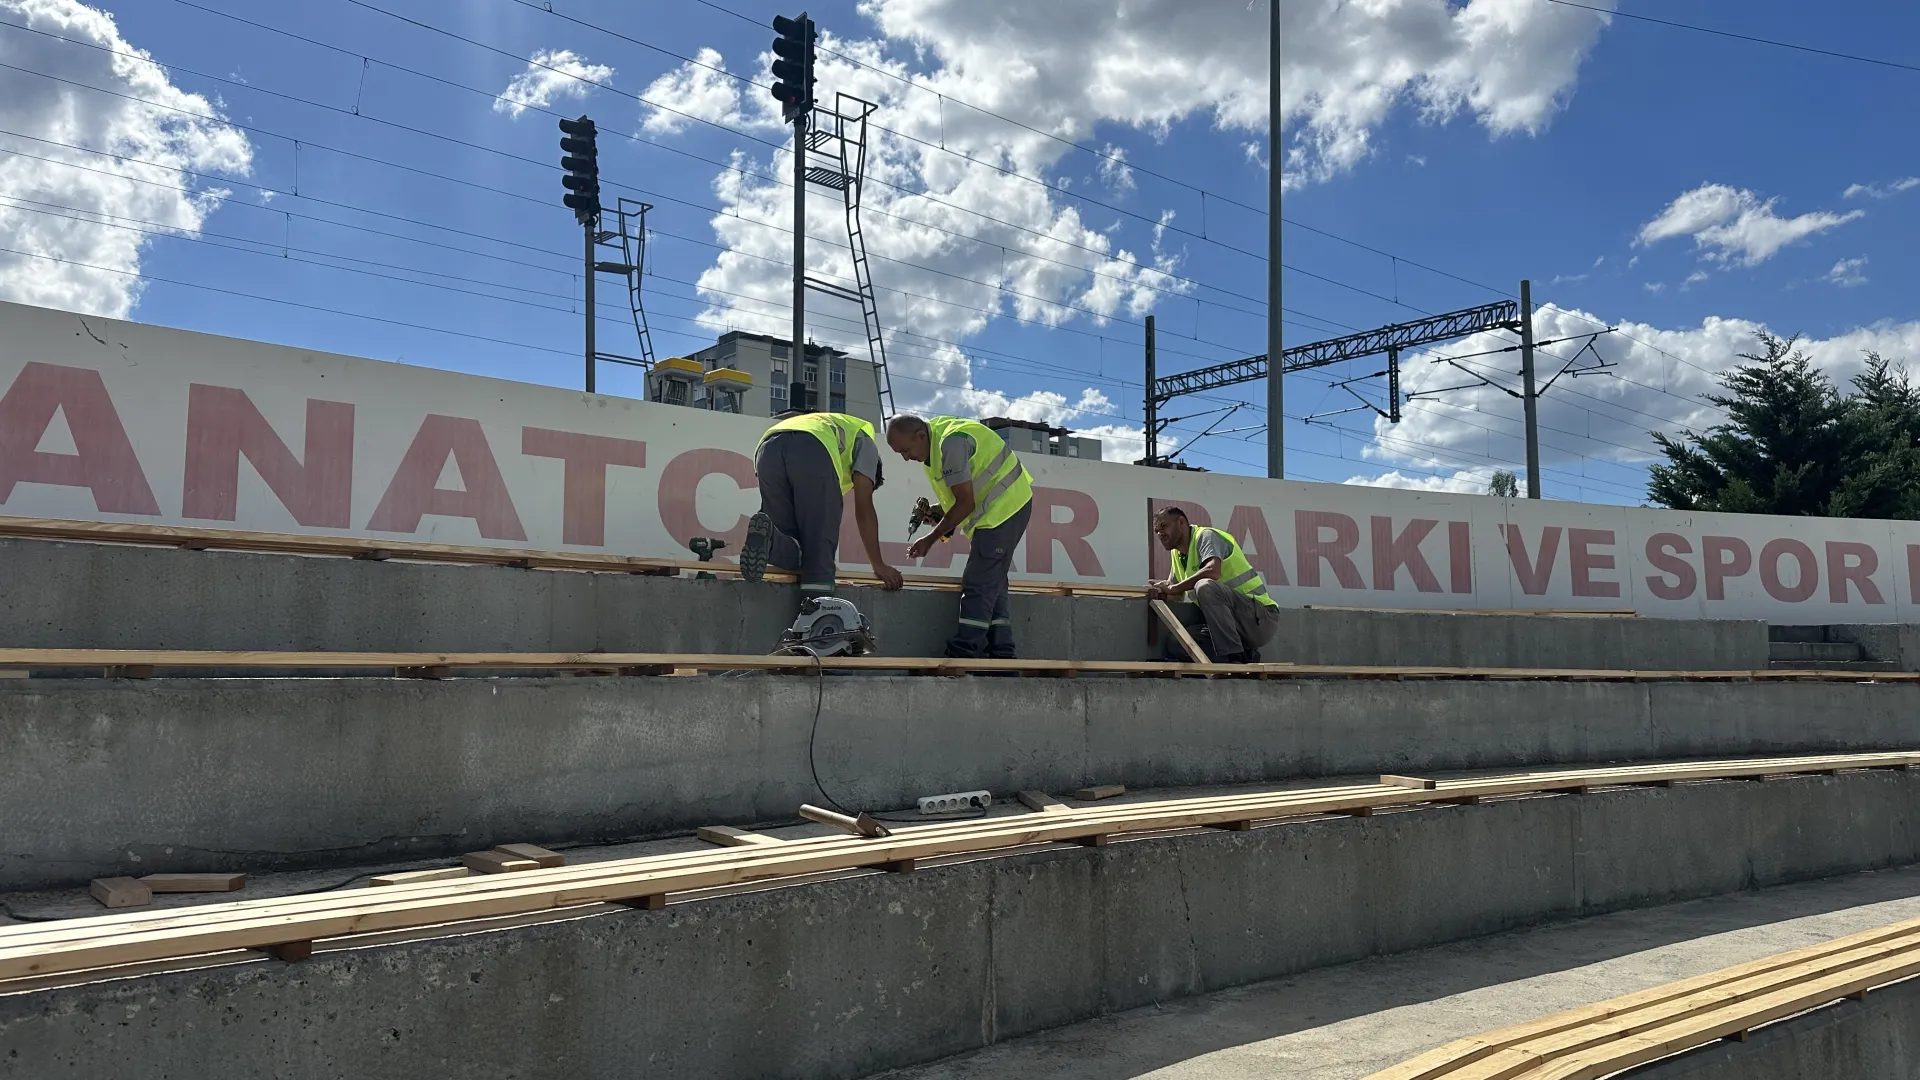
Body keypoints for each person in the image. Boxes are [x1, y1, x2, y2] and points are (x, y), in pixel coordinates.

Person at [885, 414, 1034, 658]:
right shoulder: (936, 446)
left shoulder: (950, 444)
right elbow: (961, 496)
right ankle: (1002, 657)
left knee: (978, 583)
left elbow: (965, 504)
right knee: (992, 585)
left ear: (920, 436)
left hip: (1005, 508)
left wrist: (930, 539)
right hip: (1000, 509)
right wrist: (940, 512)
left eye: (906, 450)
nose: (906, 457)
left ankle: (962, 654)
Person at [740, 411, 904, 596]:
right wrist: (878, 565)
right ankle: (818, 610)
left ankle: (770, 539)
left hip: (767, 451)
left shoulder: (827, 425)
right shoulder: (867, 444)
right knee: (819, 543)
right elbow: (864, 509)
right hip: (812, 447)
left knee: (792, 541)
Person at [1147, 506, 1277, 663]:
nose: (1160, 534)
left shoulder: (1206, 536)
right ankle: (1244, 657)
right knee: (1177, 644)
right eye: (1157, 531)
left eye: (1164, 527)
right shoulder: (1177, 554)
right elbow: (1177, 594)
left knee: (1205, 586)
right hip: (1227, 628)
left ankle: (1233, 658)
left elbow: (1212, 571)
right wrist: (1161, 591)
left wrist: (1174, 587)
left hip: (1258, 619)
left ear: (1181, 522)